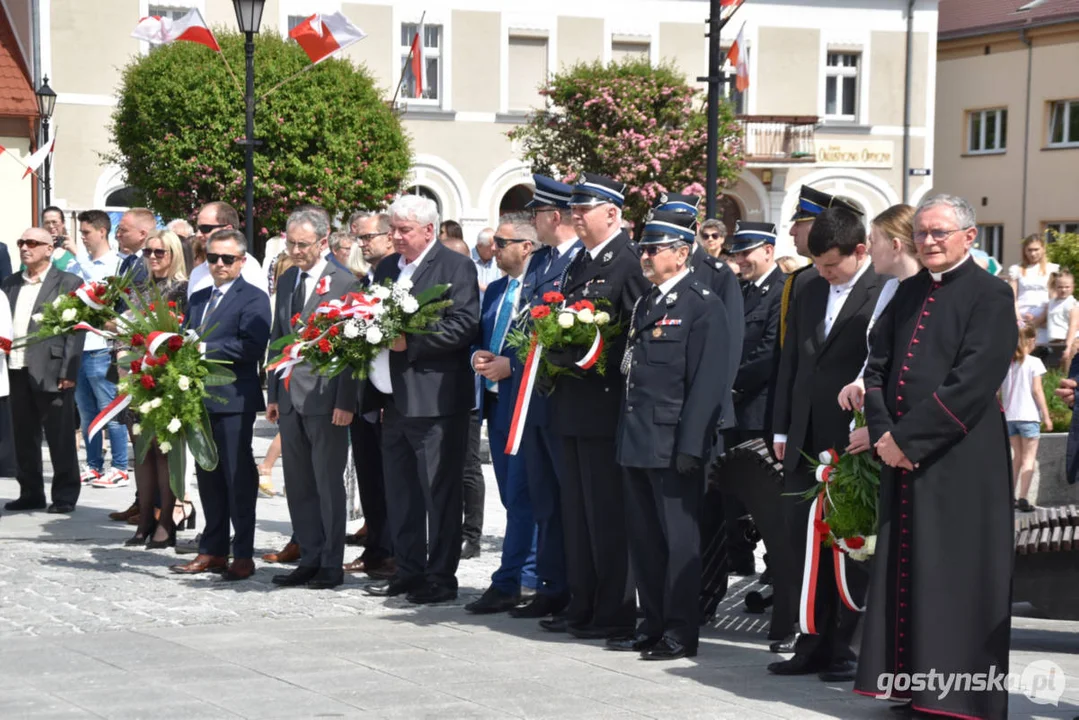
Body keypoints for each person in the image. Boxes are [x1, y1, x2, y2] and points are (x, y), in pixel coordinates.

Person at [855, 195, 1018, 719]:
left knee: (955, 575)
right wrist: (885, 435)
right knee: (909, 569)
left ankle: (958, 695)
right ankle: (910, 682)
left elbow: (973, 380)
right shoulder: (905, 293)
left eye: (940, 232)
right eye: (923, 233)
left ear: (969, 237)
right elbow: (876, 368)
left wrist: (908, 440)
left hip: (962, 458)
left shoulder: (991, 294)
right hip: (900, 456)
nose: (929, 241)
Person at [612, 209, 730, 660]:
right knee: (644, 539)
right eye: (643, 247)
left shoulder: (702, 304)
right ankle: (653, 623)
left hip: (673, 441)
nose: (645, 255)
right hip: (638, 437)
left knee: (680, 542)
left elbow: (707, 384)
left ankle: (681, 631)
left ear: (682, 254)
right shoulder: (646, 302)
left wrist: (691, 445)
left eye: (654, 248)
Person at [771, 207, 882, 680]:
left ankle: (845, 646)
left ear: (860, 251)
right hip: (803, 438)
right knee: (804, 545)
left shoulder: (883, 291)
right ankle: (810, 641)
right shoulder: (809, 287)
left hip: (850, 438)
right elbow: (791, 362)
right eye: (817, 262)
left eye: (832, 264)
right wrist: (780, 429)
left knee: (850, 542)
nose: (823, 271)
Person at [543, 172, 650, 639]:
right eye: (575, 209)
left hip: (604, 406)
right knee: (578, 513)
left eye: (585, 209)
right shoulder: (580, 263)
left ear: (612, 212)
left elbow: (636, 334)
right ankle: (582, 601)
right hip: (572, 403)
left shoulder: (626, 261)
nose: (576, 216)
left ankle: (614, 609)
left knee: (606, 515)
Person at [362, 195, 480, 605]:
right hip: (392, 400)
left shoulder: (455, 266)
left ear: (429, 230)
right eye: (392, 229)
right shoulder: (387, 268)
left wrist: (409, 342)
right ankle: (407, 570)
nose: (394, 237)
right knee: (401, 492)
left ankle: (440, 577)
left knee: (439, 493)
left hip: (435, 400)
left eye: (403, 230)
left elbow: (463, 326)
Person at [266, 207, 360, 590]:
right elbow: (277, 335)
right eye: (291, 243)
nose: (296, 250)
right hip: (289, 395)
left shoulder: (345, 281)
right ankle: (308, 553)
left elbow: (353, 347)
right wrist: (272, 391)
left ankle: (331, 563)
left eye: (303, 244)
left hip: (325, 397)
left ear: (323, 242)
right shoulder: (288, 278)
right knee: (299, 482)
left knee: (326, 482)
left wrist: (345, 400)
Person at [171, 230, 271, 580]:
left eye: (227, 259)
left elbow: (252, 348)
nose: (219, 264)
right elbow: (186, 336)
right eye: (213, 258)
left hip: (233, 398)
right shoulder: (198, 298)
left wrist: (203, 351)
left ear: (242, 261)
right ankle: (211, 549)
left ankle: (242, 552)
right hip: (199, 399)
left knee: (237, 476)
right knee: (207, 475)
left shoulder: (253, 298)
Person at [508, 174, 580, 620]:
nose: (531, 221)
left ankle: (571, 586)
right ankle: (549, 585)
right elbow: (523, 324)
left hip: (562, 400)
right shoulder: (540, 262)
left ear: (555, 216)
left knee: (568, 499)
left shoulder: (576, 263)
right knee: (544, 500)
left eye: (536, 214)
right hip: (532, 399)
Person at [466, 213, 539, 614]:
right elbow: (480, 336)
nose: (494, 248)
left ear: (526, 246)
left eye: (502, 241)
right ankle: (521, 572)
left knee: (525, 493)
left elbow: (540, 342)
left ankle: (523, 577)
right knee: (511, 494)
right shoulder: (495, 289)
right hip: (495, 403)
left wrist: (511, 365)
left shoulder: (539, 289)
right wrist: (475, 354)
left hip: (523, 402)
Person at [2, 228, 84, 513]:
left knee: (60, 435)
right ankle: (31, 492)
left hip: (52, 367)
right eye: (21, 242)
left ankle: (64, 496)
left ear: (49, 249)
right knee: (23, 435)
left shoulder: (69, 282)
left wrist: (68, 370)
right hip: (16, 368)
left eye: (33, 243)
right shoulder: (10, 283)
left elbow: (76, 331)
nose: (25, 247)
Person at [725, 221, 785, 575]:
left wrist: (731, 386)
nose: (742, 259)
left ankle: (776, 574)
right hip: (735, 412)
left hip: (759, 412)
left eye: (748, 252)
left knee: (763, 501)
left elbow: (768, 353)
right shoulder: (740, 290)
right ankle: (740, 563)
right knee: (734, 497)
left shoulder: (783, 290)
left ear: (768, 250)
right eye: (738, 253)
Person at [125, 229, 191, 547]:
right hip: (137, 376)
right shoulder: (139, 289)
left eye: (159, 252)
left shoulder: (184, 290)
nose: (152, 257)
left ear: (174, 254)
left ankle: (167, 519)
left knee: (164, 452)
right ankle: (145, 519)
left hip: (167, 377)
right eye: (147, 252)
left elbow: (187, 335)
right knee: (142, 452)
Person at [836, 204, 921, 443]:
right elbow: (878, 352)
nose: (869, 250)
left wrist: (879, 432)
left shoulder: (926, 294)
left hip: (901, 431)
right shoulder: (891, 287)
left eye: (873, 241)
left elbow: (913, 377)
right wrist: (861, 381)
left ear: (895, 245)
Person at [341, 212, 394, 579]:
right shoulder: (366, 281)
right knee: (370, 477)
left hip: (389, 396)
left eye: (369, 237)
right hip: (364, 394)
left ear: (390, 237)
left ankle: (390, 551)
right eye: (359, 238)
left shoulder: (394, 280)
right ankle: (376, 548)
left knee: (389, 480)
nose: (363, 243)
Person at [73, 210, 128, 489]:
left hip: (102, 345)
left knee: (110, 410)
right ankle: (94, 465)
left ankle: (119, 466)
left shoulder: (117, 266)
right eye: (81, 233)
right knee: (86, 411)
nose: (82, 238)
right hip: (79, 345)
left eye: (86, 232)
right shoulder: (77, 266)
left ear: (102, 231)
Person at [440, 235, 487, 560]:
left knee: (468, 466)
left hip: (468, 395)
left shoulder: (474, 295)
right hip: (440, 396)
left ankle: (472, 535)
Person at [1002, 325, 1051, 513]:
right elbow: (1037, 391)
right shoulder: (1034, 362)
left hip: (1009, 416)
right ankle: (1023, 498)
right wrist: (1046, 416)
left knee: (1017, 458)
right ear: (1031, 341)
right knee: (1029, 458)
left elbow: (998, 392)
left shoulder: (1007, 363)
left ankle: (1010, 496)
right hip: (1029, 416)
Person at [186, 202, 268, 298]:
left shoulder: (249, 269)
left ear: (228, 230)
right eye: (198, 228)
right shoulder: (197, 273)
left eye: (205, 228)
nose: (198, 235)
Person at [1009, 234, 1057, 349]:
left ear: (1043, 249)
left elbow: (1053, 298)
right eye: (1029, 250)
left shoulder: (1052, 269)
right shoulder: (1016, 269)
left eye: (1036, 249)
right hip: (1021, 320)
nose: (1033, 253)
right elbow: (1012, 297)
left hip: (1044, 320)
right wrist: (1020, 320)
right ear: (1024, 251)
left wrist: (1039, 320)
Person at [1046, 270, 1078, 369]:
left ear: (1073, 287)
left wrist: (1068, 347)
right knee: (1056, 370)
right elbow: (1043, 320)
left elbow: (1073, 325)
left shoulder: (1072, 303)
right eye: (1060, 287)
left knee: (1067, 371)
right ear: (1055, 287)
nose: (1063, 290)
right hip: (1055, 342)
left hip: (1069, 342)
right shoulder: (1052, 303)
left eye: (1067, 287)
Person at [40, 206, 82, 277]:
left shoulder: (74, 250)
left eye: (54, 222)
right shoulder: (35, 250)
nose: (51, 226)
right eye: (47, 223)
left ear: (63, 223)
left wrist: (76, 253)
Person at [472, 228, 502, 295]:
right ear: (480, 245)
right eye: (491, 245)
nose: (494, 249)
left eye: (496, 245)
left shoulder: (496, 261)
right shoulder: (468, 259)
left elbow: (498, 288)